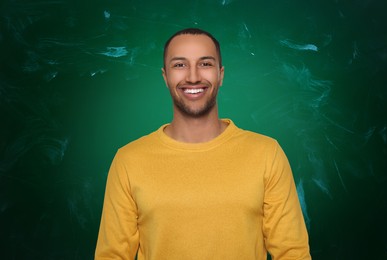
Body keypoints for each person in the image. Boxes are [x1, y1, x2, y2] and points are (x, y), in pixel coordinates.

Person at [95, 28, 311, 260]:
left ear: (221, 74)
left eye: (205, 64)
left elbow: (292, 254)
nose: (193, 76)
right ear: (165, 77)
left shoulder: (267, 154)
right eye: (180, 65)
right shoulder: (128, 160)